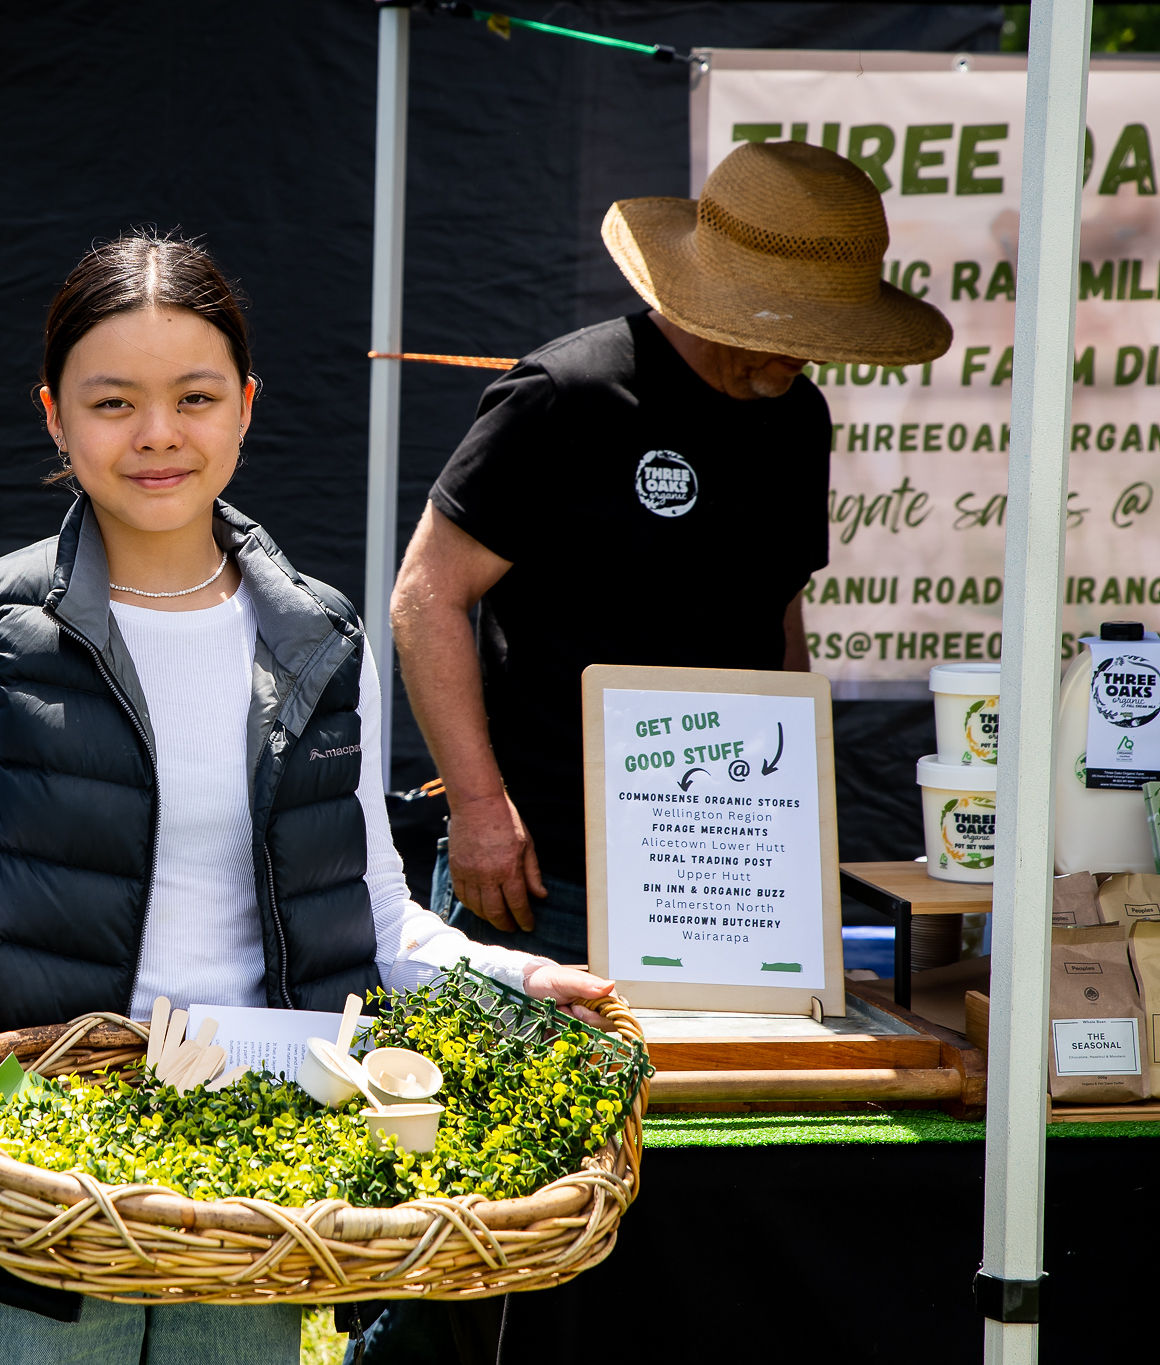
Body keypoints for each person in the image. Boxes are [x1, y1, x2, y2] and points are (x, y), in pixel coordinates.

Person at [0, 230, 615, 1365]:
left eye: (193, 396)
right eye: (111, 403)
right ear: (54, 415)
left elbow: (376, 919)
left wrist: (523, 977)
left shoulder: (324, 640)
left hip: (249, 1191)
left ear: (243, 407)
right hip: (30, 1181)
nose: (156, 434)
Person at [390, 140, 953, 970]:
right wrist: (479, 807)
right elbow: (425, 595)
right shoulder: (567, 394)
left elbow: (780, 611)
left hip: (729, 875)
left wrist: (794, 819)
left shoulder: (800, 417)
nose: (811, 350)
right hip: (548, 879)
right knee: (522, 1099)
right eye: (794, 325)